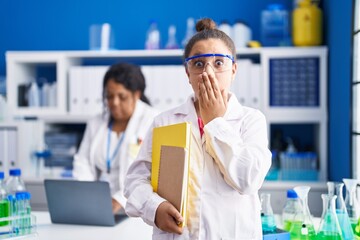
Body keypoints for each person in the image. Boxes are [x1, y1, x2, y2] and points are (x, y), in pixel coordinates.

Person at [124, 18, 272, 239]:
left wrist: (215, 123)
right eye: (198, 63)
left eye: (219, 63)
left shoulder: (251, 120)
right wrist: (155, 207)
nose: (208, 73)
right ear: (187, 73)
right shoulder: (165, 121)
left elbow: (248, 180)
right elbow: (135, 180)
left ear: (234, 70)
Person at [72, 63, 159, 214]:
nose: (114, 103)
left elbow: (153, 173)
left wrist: (120, 199)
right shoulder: (96, 123)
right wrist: (86, 193)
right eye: (109, 96)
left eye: (122, 96)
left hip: (138, 209)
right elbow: (83, 162)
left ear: (136, 94)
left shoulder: (154, 121)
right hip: (99, 206)